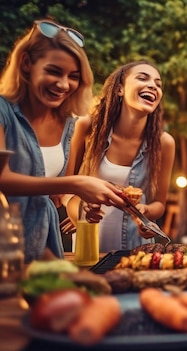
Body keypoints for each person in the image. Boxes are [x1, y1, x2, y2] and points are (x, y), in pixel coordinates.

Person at [0, 19, 124, 263]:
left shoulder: (67, 122)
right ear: (26, 63)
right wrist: (78, 183)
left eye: (73, 76)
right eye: (53, 71)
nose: (64, 84)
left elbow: (56, 195)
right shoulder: (3, 110)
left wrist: (82, 207)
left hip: (42, 248)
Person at [65, 60, 175, 252]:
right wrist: (80, 212)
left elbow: (159, 204)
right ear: (120, 90)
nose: (153, 85)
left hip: (135, 250)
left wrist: (146, 212)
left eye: (158, 84)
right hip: (89, 246)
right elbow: (66, 192)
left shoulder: (164, 143)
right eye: (143, 78)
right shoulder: (87, 128)